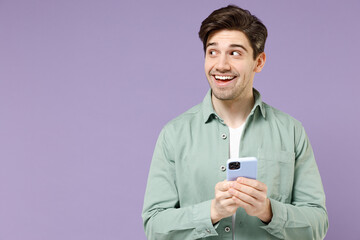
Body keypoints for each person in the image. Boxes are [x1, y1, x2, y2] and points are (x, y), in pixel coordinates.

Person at [142, 5, 328, 240]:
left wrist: (269, 211)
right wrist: (211, 212)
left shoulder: (291, 132)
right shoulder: (174, 134)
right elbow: (154, 226)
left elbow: (318, 224)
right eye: (212, 52)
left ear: (258, 62)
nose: (221, 65)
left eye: (235, 53)